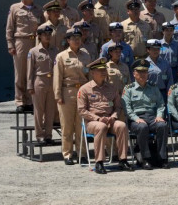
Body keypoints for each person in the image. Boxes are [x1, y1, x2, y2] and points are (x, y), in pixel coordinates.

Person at [77, 57, 133, 174]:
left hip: (110, 119)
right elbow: (81, 110)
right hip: (93, 122)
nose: (103, 72)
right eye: (100, 70)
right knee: (100, 127)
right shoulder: (85, 89)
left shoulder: (112, 88)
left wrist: (113, 116)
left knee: (122, 126)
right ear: (92, 73)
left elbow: (118, 106)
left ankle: (123, 160)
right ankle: (99, 162)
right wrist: (97, 118)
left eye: (104, 70)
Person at [53, 27, 91, 165]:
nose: (76, 40)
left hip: (82, 92)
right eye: (73, 38)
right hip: (67, 92)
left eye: (78, 38)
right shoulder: (61, 56)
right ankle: (67, 154)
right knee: (67, 126)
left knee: (81, 125)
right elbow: (57, 77)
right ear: (68, 40)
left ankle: (82, 153)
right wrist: (58, 95)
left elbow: (90, 76)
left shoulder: (86, 56)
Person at [122, 59, 169, 169]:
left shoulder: (154, 88)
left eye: (145, 72)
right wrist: (135, 118)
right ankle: (145, 158)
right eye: (140, 72)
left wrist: (159, 116)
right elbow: (127, 108)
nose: (143, 75)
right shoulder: (128, 89)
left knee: (163, 125)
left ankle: (162, 158)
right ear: (134, 74)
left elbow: (161, 104)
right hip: (136, 119)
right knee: (142, 127)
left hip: (153, 117)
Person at [7, 0, 45, 112]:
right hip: (21, 42)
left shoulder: (39, 10)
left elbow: (44, 28)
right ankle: (19, 101)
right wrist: (10, 44)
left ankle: (30, 100)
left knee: (33, 72)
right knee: (20, 73)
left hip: (35, 43)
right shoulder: (15, 8)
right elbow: (10, 28)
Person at [27, 25, 59, 145]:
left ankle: (48, 135)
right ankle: (39, 135)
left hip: (52, 82)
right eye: (45, 34)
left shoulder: (55, 50)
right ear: (39, 36)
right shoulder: (33, 51)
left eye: (49, 34)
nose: (47, 36)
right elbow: (30, 70)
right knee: (39, 110)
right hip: (39, 81)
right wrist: (29, 86)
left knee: (50, 110)